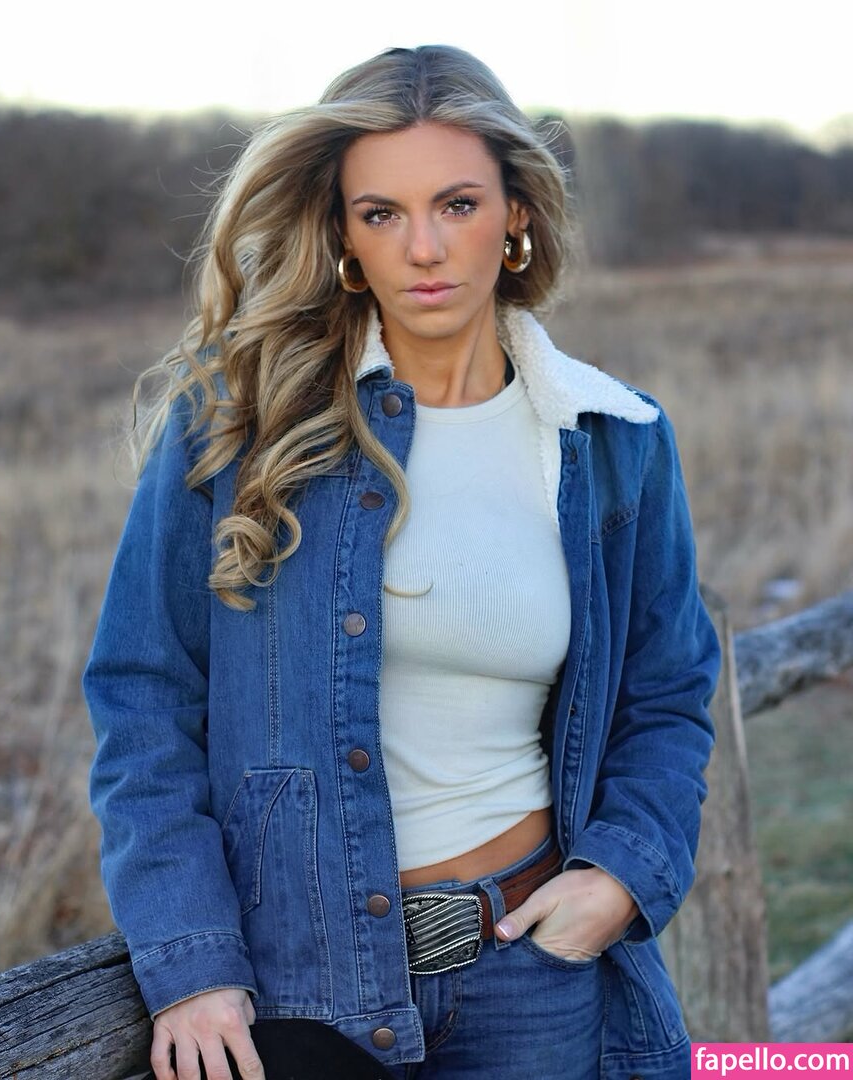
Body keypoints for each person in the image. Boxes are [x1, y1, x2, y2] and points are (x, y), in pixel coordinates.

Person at [83, 44, 721, 1080]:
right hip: (302, 994)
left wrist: (619, 878)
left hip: (533, 972)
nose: (424, 248)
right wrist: (192, 961)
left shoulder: (611, 440)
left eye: (457, 204)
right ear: (342, 233)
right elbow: (143, 699)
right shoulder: (238, 427)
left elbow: (668, 691)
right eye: (381, 213)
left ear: (517, 213)